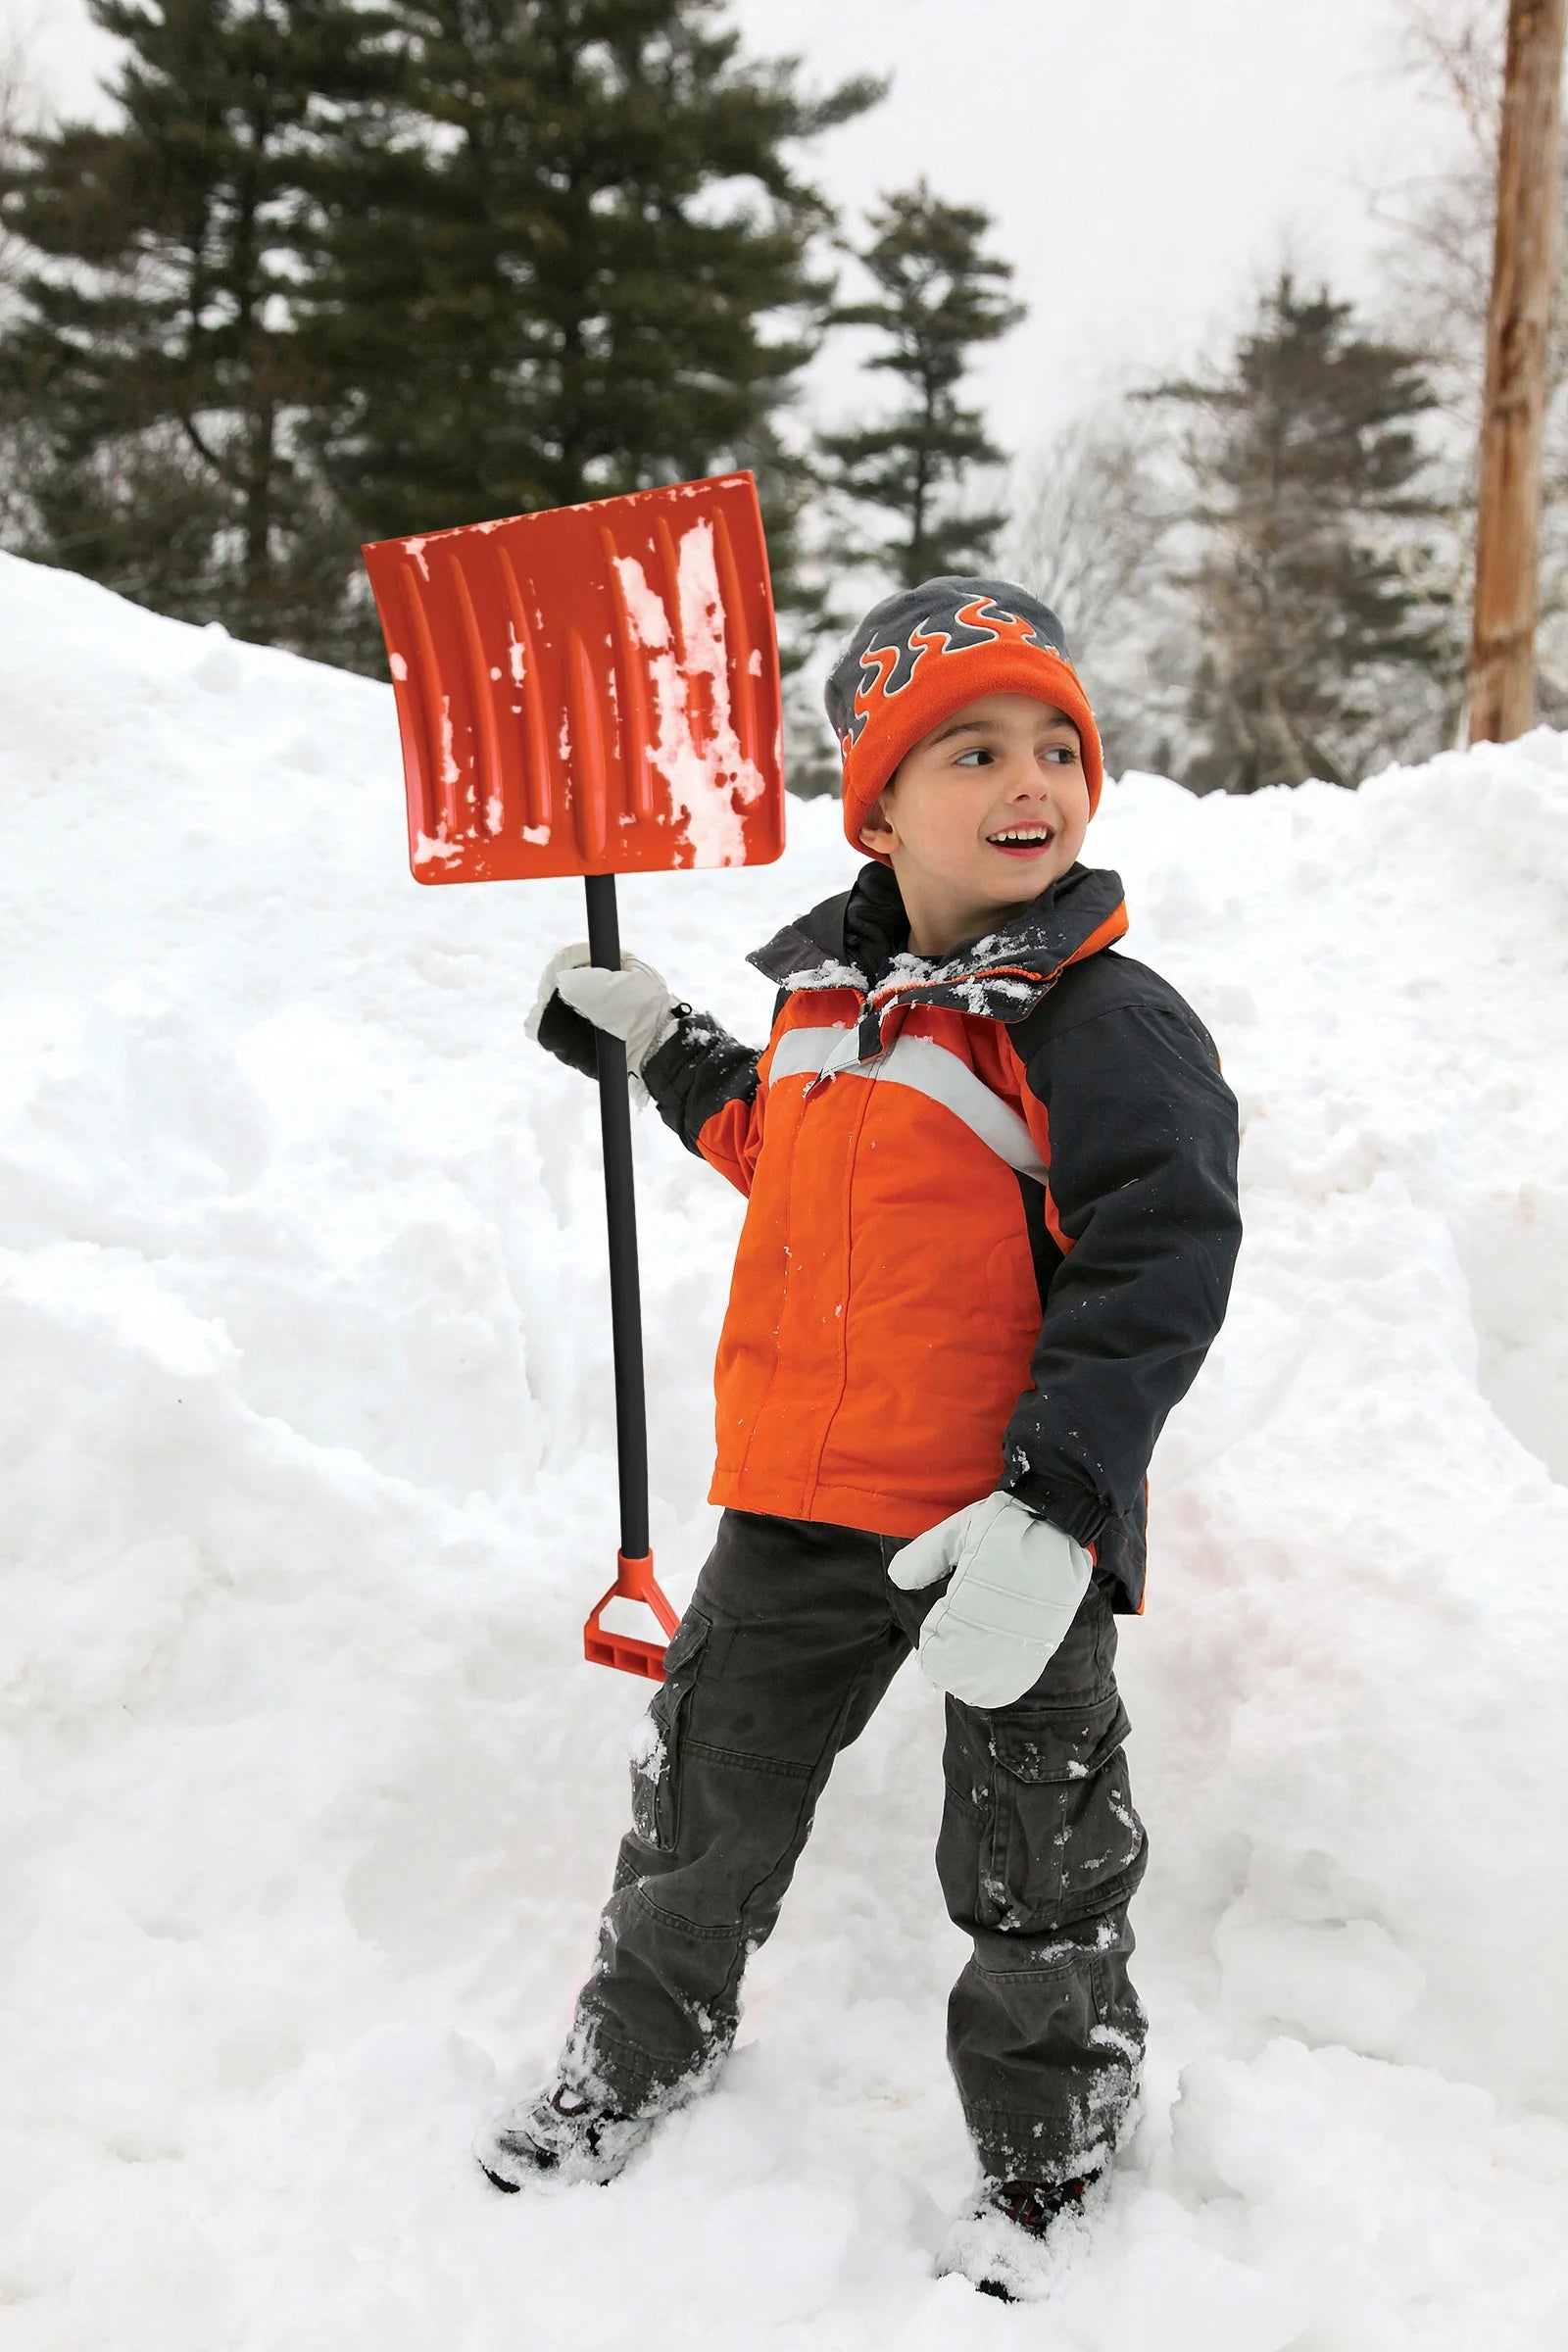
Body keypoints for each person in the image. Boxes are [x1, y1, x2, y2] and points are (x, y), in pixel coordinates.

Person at [478, 577, 1243, 2300]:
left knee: (1037, 1869)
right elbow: (796, 1158)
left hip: (999, 1531)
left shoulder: (1104, 1020)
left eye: (1057, 743)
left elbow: (1162, 1256)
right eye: (970, 750)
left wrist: (1057, 1502)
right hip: (802, 1512)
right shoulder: (837, 1001)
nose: (1028, 778)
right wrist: (669, 1048)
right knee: (701, 1811)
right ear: (881, 805)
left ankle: (1052, 2157)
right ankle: (641, 2051)